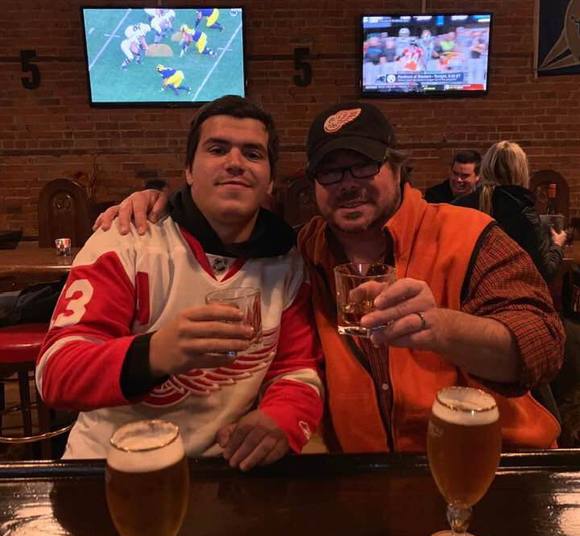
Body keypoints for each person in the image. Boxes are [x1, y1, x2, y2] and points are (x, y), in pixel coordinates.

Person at [96, 102, 565, 453]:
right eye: (330, 171)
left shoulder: (470, 233)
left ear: (397, 168)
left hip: (495, 464)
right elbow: (290, 365)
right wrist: (161, 206)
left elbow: (543, 346)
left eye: (363, 164)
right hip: (359, 481)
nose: (347, 182)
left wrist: (441, 327)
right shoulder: (299, 251)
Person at [36, 96, 323, 469]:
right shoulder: (127, 239)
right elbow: (56, 373)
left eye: (253, 154)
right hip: (113, 468)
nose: (235, 162)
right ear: (188, 170)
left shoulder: (286, 261)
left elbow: (295, 369)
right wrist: (156, 353)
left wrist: (280, 419)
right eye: (217, 149)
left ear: (269, 181)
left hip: (225, 469)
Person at [453, 140, 566, 283]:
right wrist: (557, 245)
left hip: (466, 291)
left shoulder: (459, 207)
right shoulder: (524, 212)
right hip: (511, 292)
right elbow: (545, 272)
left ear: (486, 168)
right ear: (521, 171)